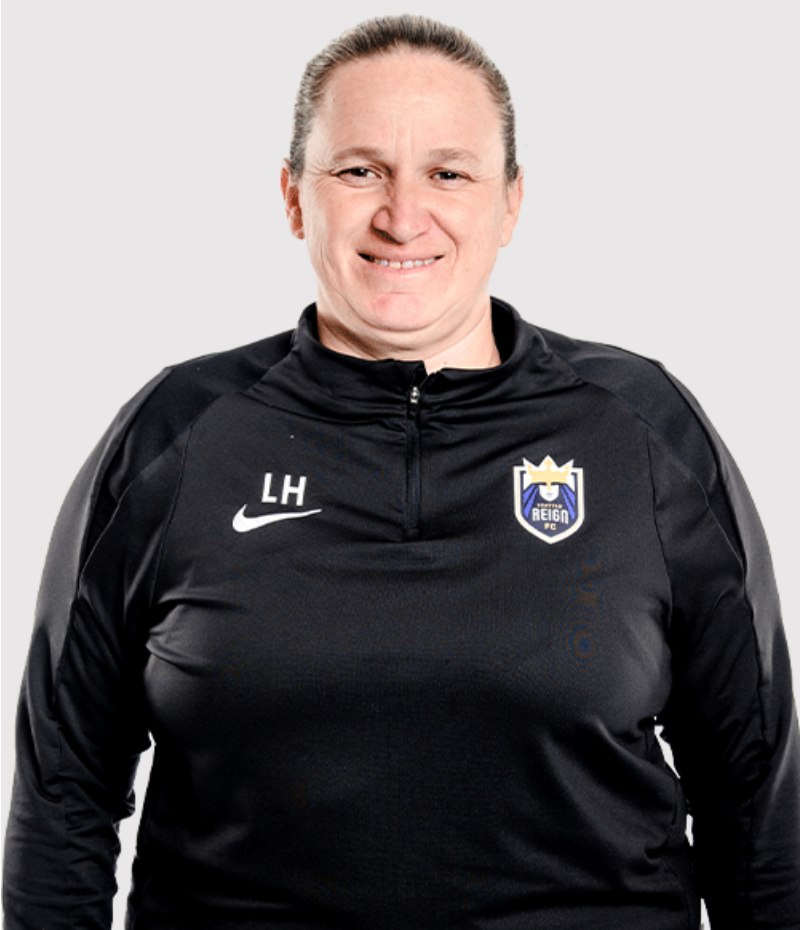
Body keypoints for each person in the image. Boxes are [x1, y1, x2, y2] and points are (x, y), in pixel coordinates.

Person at [3, 14, 798, 930]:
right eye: (359, 171)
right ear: (293, 197)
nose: (403, 215)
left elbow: (754, 786)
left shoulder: (643, 429)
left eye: (448, 173)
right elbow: (63, 787)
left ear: (511, 202)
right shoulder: (176, 435)